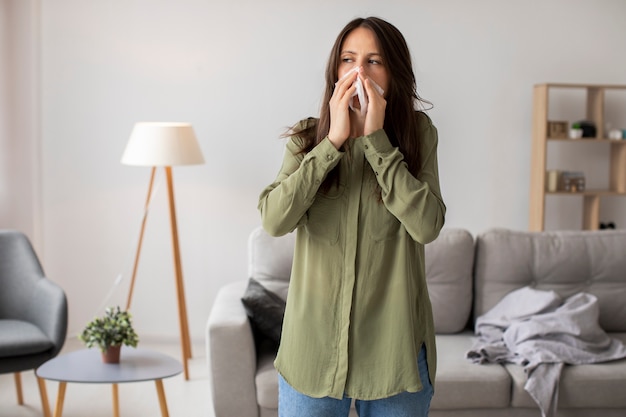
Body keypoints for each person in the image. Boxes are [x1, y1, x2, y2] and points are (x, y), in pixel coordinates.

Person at [258, 16, 446, 417]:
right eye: (349, 59)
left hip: (395, 355)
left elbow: (428, 225)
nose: (359, 71)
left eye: (374, 61)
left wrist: (376, 142)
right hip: (311, 353)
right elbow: (274, 220)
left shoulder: (419, 134)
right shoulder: (306, 140)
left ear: (394, 74)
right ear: (335, 70)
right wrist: (332, 143)